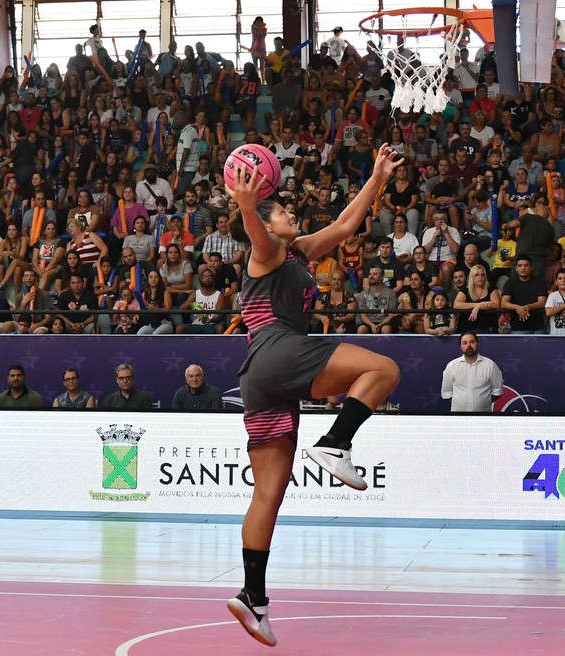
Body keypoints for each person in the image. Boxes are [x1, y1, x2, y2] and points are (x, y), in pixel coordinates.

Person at [224, 146, 402, 647]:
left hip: (257, 376)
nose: (289, 213)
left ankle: (253, 598)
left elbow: (346, 226)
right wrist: (245, 205)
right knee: (383, 369)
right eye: (280, 210)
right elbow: (257, 236)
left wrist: (376, 178)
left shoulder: (296, 249)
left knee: (268, 494)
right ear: (264, 219)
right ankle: (336, 442)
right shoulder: (268, 251)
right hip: (280, 349)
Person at [440, 331, 504, 412]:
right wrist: (460, 404)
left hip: (484, 416)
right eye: (465, 343)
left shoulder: (490, 365)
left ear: (477, 343)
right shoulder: (452, 366)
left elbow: (497, 392)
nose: (469, 346)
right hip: (458, 417)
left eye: (472, 342)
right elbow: (446, 393)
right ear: (460, 346)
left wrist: (483, 402)